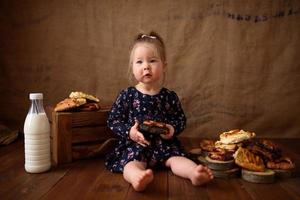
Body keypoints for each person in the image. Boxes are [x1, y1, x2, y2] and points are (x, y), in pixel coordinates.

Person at [105, 31, 213, 192]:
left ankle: (193, 174)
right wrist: (130, 132)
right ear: (132, 67)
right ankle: (136, 177)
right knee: (131, 163)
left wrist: (172, 129)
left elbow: (180, 118)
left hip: (164, 144)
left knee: (177, 159)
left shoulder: (169, 96)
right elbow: (113, 120)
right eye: (139, 62)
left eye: (152, 61)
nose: (146, 66)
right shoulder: (127, 95)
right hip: (137, 144)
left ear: (164, 65)